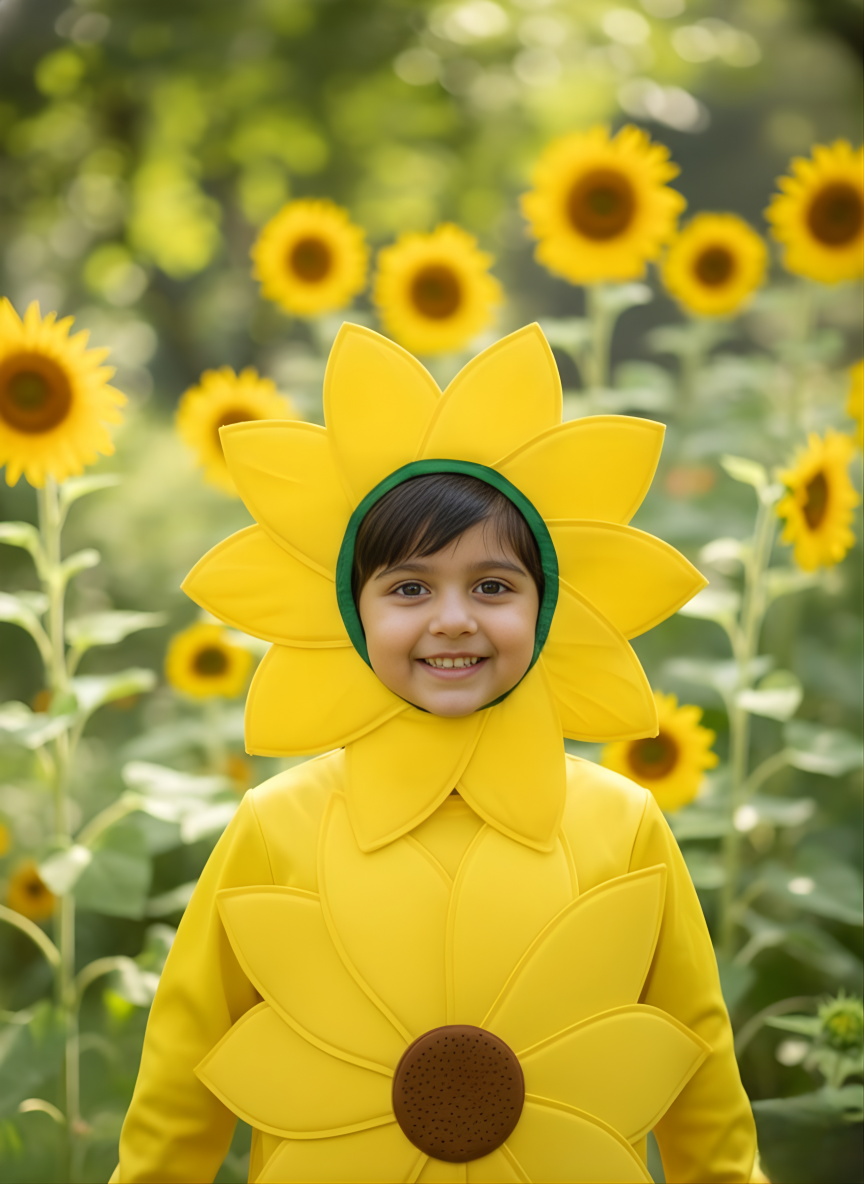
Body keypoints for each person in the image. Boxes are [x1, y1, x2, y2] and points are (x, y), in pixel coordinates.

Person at [111, 324, 760, 1183]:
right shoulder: (278, 829)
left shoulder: (621, 826)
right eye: (411, 587)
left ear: (547, 605)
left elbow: (702, 1088)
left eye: (493, 586)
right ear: (351, 610)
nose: (453, 619)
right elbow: (178, 1091)